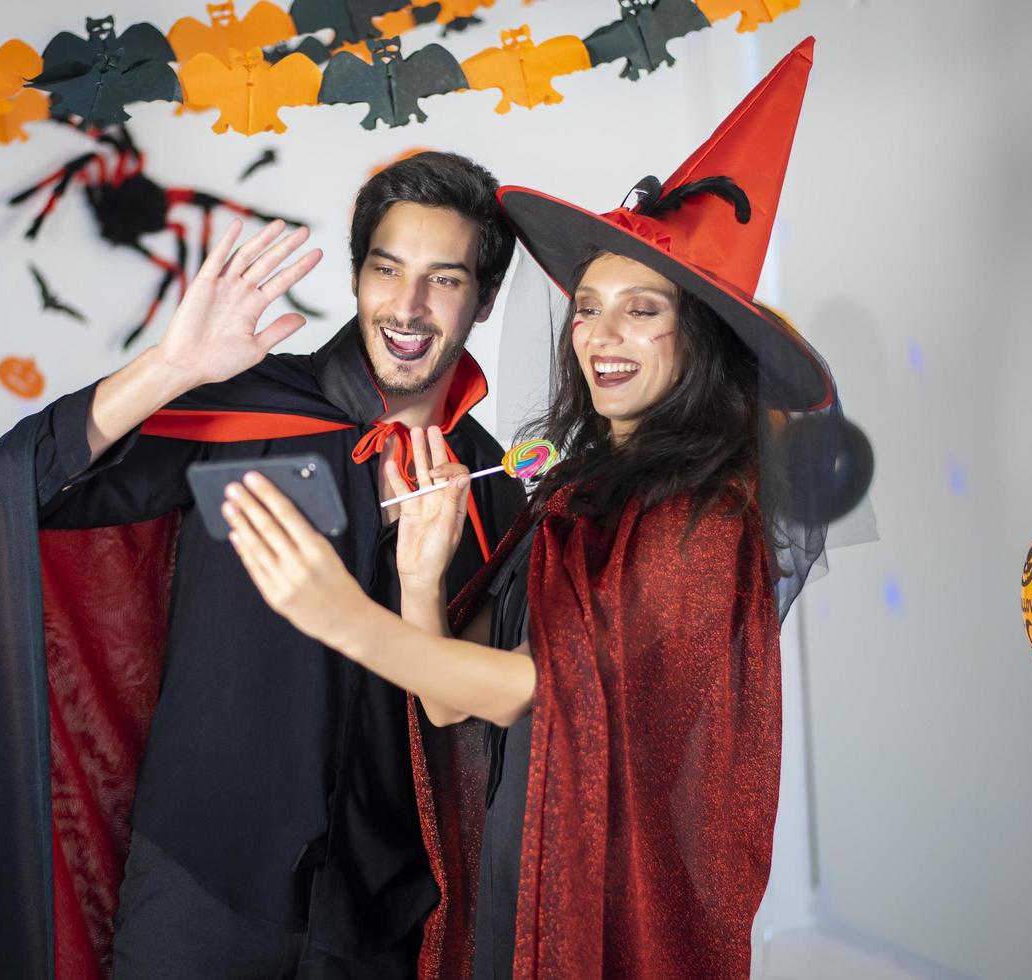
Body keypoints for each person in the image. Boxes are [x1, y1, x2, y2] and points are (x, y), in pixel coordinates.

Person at [218, 38, 840, 979]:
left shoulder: (707, 520)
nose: (600, 335)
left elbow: (529, 690)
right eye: (589, 307)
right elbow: (447, 693)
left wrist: (339, 616)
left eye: (643, 309)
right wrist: (420, 580)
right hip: (517, 879)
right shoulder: (572, 495)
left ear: (699, 336)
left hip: (607, 904)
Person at [0, 151, 528, 979]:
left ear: (482, 299)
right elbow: (22, 494)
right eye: (386, 269)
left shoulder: (496, 486)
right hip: (199, 887)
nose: (407, 306)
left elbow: (475, 716)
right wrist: (174, 369)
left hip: (380, 916)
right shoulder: (245, 403)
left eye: (444, 280)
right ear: (358, 276)